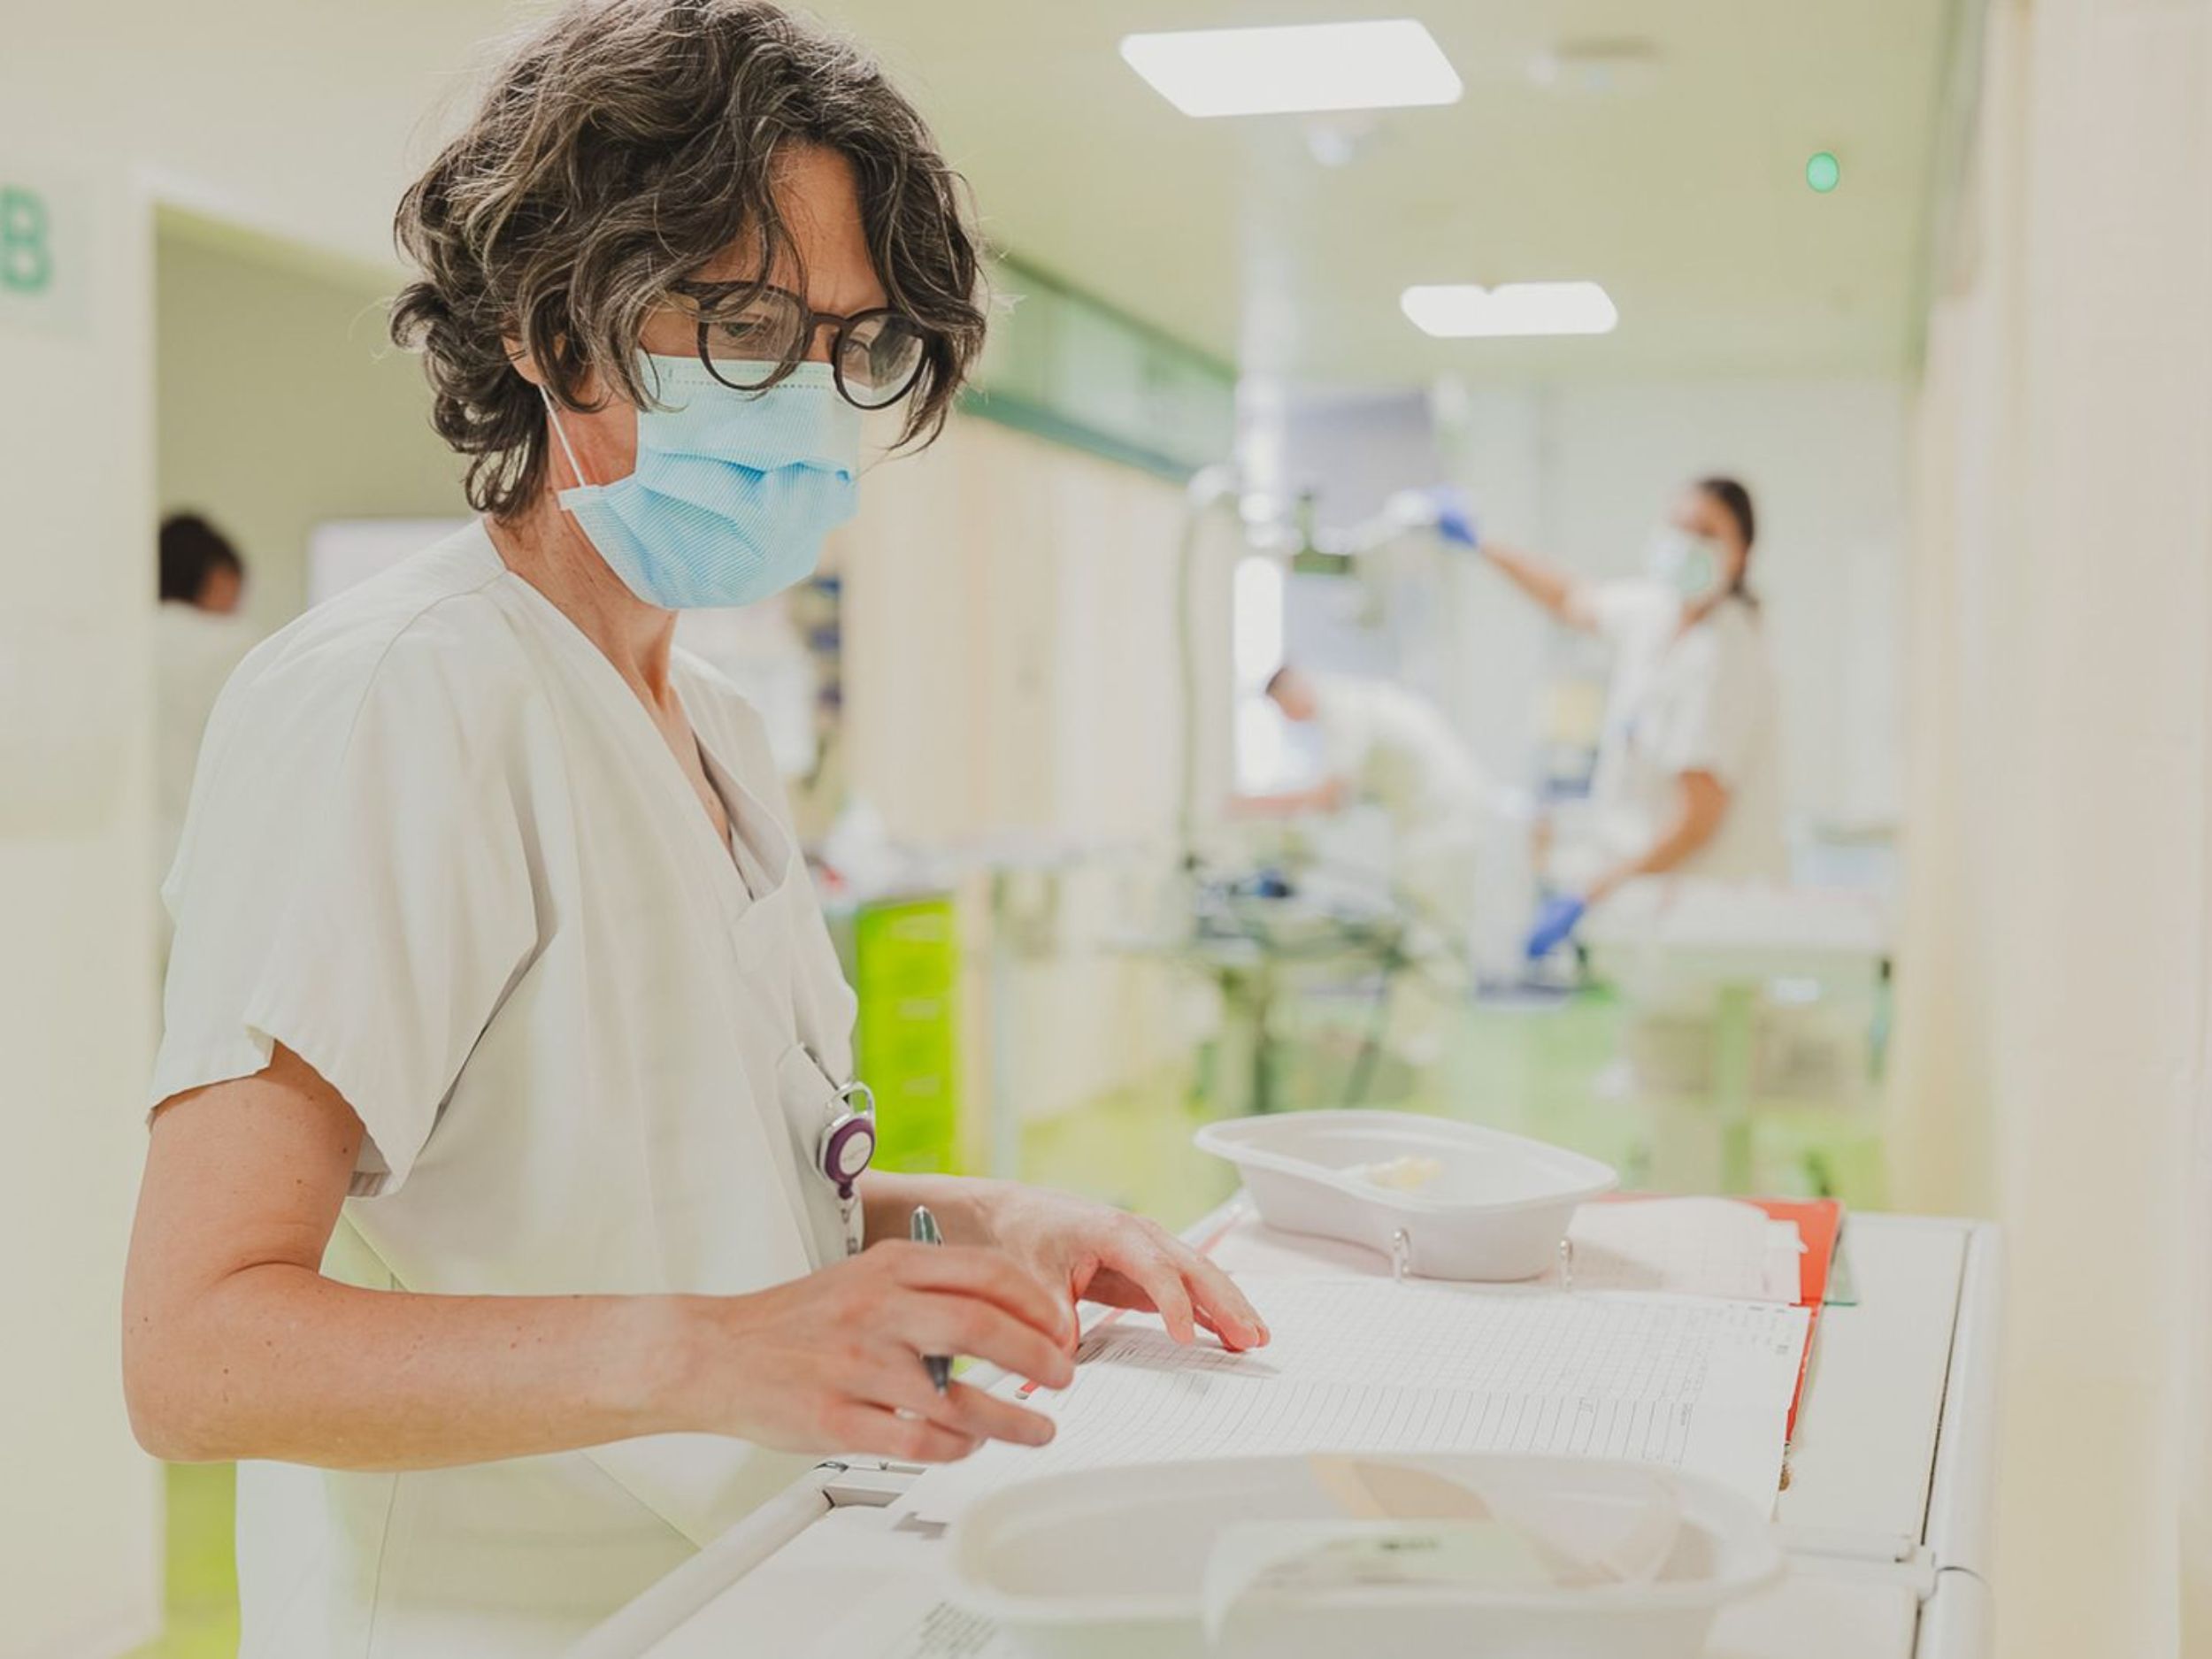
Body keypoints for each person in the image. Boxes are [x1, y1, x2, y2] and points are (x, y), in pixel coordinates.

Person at [120, 7, 1267, 1655]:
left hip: (747, 1586)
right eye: (739, 324)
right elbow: (197, 1352)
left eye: (848, 346)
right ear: (543, 327)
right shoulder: (399, 699)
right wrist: (712, 1352)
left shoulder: (705, 722)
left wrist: (978, 1226)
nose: (803, 396)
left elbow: (681, 1194)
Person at [1444, 479, 1785, 957]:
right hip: (1660, 913)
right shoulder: (1656, 614)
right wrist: (1480, 542)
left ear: (1741, 553)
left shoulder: (1726, 653)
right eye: (1678, 525)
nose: (1687, 542)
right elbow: (1569, 598)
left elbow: (1697, 819)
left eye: (1706, 531)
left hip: (1710, 916)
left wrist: (1590, 892)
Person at [1247, 664, 1489, 938]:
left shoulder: (1345, 709)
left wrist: (1248, 806)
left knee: (1429, 925)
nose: (1288, 719)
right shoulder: (1355, 702)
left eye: (1283, 709)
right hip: (1435, 818)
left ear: (1293, 690)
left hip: (1440, 821)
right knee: (1431, 919)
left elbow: (1329, 797)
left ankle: (1432, 980)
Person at [153, 514, 257, 883]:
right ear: (218, 578)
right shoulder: (232, 645)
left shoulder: (119, 642)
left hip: (124, 857)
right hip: (201, 859)